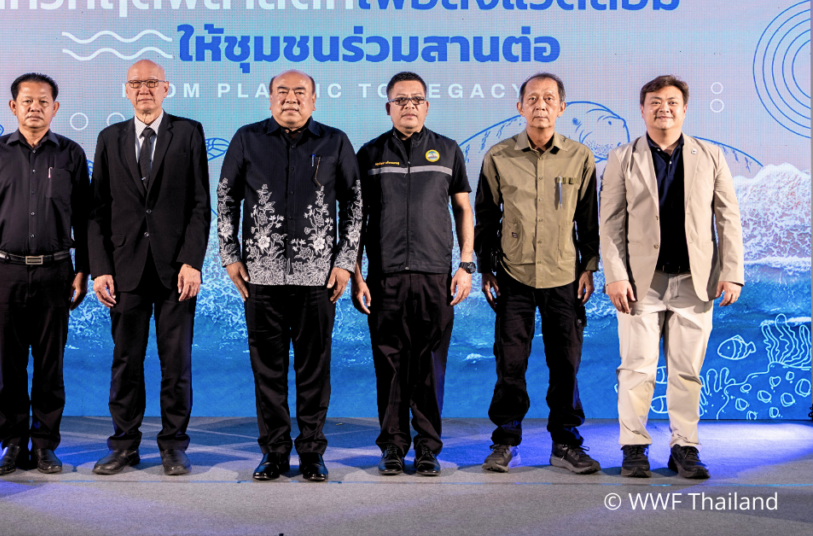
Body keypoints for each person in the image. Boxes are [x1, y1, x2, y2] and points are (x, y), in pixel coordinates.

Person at [217, 70, 362, 482]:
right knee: (268, 371)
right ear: (270, 99)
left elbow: (354, 205)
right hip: (260, 277)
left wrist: (344, 262)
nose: (291, 99)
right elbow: (226, 198)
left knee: (314, 370)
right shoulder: (247, 139)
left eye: (300, 92)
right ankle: (274, 452)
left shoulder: (334, 141)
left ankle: (312, 452)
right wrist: (230, 255)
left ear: (314, 100)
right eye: (282, 92)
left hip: (319, 279)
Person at [601, 75, 743, 479]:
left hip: (695, 282)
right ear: (642, 109)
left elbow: (728, 217)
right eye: (655, 102)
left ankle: (685, 448)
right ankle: (633, 447)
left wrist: (731, 272)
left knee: (687, 372)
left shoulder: (711, 155)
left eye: (672, 102)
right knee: (637, 368)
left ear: (684, 109)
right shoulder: (622, 158)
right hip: (640, 284)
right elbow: (610, 223)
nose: (664, 108)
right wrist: (615, 276)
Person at [474, 72, 601, 474]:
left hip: (564, 276)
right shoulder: (499, 156)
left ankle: (565, 443)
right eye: (532, 98)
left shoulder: (579, 156)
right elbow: (485, 218)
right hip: (513, 278)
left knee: (565, 365)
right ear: (520, 107)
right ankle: (505, 441)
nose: (540, 105)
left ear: (562, 107)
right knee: (510, 365)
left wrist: (589, 267)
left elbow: (588, 220)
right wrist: (485, 268)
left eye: (548, 98)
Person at [88, 60, 210, 476]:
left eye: (152, 82)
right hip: (125, 270)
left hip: (177, 270)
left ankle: (174, 445)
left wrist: (192, 261)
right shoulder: (109, 138)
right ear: (126, 90)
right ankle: (124, 445)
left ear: (166, 88)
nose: (144, 89)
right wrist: (100, 268)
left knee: (176, 363)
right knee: (126, 361)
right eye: (137, 83)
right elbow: (97, 210)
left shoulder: (188, 133)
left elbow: (200, 204)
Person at [351, 71, 475, 477]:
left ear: (427, 106)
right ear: (388, 107)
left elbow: (463, 210)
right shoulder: (369, 154)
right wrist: (356, 274)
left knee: (429, 367)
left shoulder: (448, 150)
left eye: (416, 99)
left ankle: (427, 449)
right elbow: (356, 219)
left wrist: (466, 265)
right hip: (384, 278)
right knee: (388, 366)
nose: (409, 106)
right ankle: (392, 446)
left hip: (435, 277)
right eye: (400, 100)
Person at [0, 73, 90, 475]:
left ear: (55, 108)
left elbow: (85, 217)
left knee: (51, 366)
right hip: (5, 272)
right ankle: (13, 444)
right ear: (13, 107)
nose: (35, 108)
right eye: (27, 101)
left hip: (57, 272)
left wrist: (84, 269)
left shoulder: (71, 154)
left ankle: (45, 446)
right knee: (10, 365)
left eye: (43, 102)